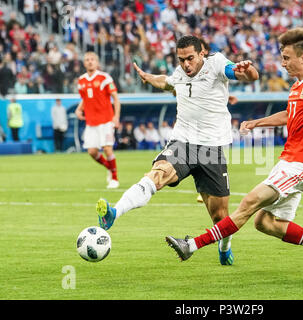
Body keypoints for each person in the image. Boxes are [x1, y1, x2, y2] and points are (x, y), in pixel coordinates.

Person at [165, 28, 303, 275]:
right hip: (288, 160)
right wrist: (257, 122)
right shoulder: (298, 86)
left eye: (287, 57)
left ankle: (191, 245)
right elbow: (289, 116)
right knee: (265, 223)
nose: (283, 63)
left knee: (249, 201)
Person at [95, 35, 259, 266]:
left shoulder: (217, 63)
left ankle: (225, 247)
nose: (186, 65)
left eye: (190, 58)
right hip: (182, 142)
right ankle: (115, 211)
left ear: (202, 53)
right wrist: (148, 77)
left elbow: (246, 75)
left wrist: (247, 70)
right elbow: (167, 82)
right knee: (158, 173)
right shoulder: (181, 73)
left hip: (211, 149)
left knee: (220, 217)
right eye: (181, 59)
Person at [75, 52, 121, 189]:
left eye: (92, 59)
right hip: (91, 122)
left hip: (106, 120)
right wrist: (79, 109)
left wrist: (116, 117)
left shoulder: (104, 78)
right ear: (84, 63)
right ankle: (109, 167)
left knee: (107, 148)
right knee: (92, 152)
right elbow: (86, 98)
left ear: (97, 62)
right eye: (87, 60)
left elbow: (116, 98)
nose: (90, 62)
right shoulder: (81, 81)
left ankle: (114, 178)